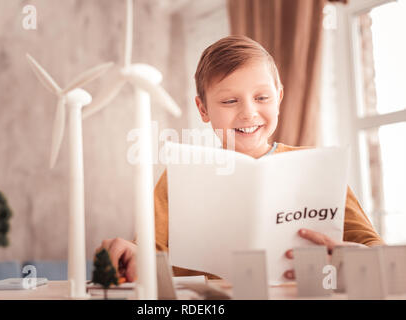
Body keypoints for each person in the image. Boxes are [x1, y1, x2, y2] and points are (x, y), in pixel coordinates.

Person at [97, 35, 384, 282]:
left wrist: (363, 259)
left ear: (279, 97)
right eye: (230, 101)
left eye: (262, 98)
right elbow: (146, 255)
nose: (248, 113)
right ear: (203, 109)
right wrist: (131, 255)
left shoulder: (319, 171)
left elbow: (374, 249)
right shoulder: (180, 176)